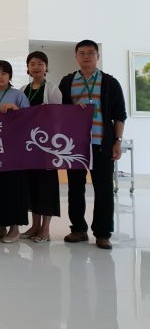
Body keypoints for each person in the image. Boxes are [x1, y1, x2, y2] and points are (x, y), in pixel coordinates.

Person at [59, 39, 126, 250]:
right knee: (75, 188)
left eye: (90, 53)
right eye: (82, 53)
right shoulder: (67, 82)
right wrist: (72, 109)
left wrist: (117, 141)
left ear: (98, 56)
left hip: (101, 143)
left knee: (104, 189)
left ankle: (103, 233)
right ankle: (78, 229)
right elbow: (59, 112)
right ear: (76, 56)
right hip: (74, 145)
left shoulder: (110, 82)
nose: (86, 56)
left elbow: (120, 115)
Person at [0, 60, 30, 243]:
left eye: (3, 73)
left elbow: (29, 119)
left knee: (13, 187)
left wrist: (15, 109)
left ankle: (15, 228)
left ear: (10, 76)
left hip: (13, 150)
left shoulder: (18, 95)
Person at [20, 51, 62, 242]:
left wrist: (48, 113)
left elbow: (59, 119)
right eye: (32, 64)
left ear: (46, 67)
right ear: (28, 68)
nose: (36, 67)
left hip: (47, 147)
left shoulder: (52, 90)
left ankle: (45, 229)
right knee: (32, 185)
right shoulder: (23, 89)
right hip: (28, 146)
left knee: (46, 186)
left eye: (40, 63)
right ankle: (34, 226)